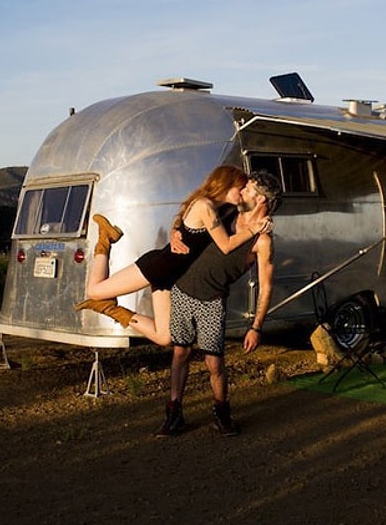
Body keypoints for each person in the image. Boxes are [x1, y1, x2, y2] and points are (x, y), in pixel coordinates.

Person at [75, 165, 271, 346]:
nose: (243, 192)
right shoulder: (205, 206)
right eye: (241, 187)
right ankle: (105, 238)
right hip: (158, 266)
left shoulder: (221, 209)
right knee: (94, 291)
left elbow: (182, 219)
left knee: (164, 337)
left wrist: (175, 231)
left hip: (170, 276)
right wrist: (254, 230)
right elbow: (226, 246)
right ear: (227, 185)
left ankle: (111, 309)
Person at [156, 170, 280, 438]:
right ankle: (174, 414)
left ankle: (222, 414)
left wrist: (256, 327)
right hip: (183, 289)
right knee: (180, 354)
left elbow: (266, 285)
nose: (241, 190)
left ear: (261, 201)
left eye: (248, 189)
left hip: (212, 301)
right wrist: (175, 230)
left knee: (214, 363)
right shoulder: (225, 212)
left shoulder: (263, 241)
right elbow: (191, 212)